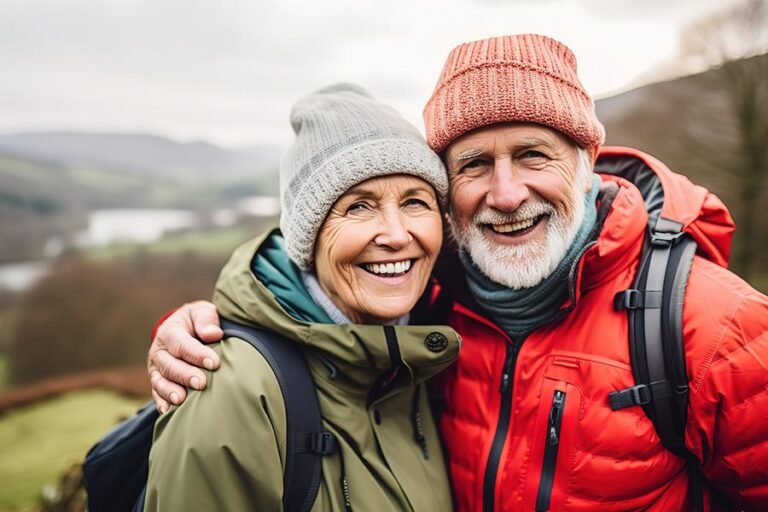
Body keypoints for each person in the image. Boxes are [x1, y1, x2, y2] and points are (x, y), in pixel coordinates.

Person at [148, 35, 768, 511]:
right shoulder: (428, 303)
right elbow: (307, 314)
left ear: (586, 162)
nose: (505, 193)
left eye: (532, 155)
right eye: (474, 165)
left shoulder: (715, 327)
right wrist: (201, 331)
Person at [144, 83, 460, 511]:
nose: (396, 234)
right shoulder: (232, 394)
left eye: (415, 202)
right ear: (307, 240)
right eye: (358, 207)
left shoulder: (424, 350)